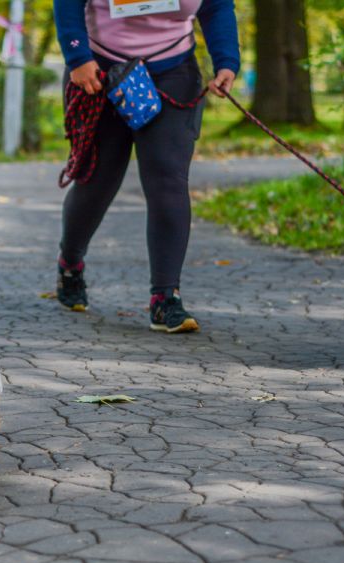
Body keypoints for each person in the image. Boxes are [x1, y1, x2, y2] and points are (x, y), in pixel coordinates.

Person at [53, 0, 239, 333]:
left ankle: (165, 297)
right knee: (98, 179)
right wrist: (78, 57)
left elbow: (217, 7)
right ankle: (70, 263)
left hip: (172, 71)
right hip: (98, 70)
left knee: (168, 178)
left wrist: (226, 61)